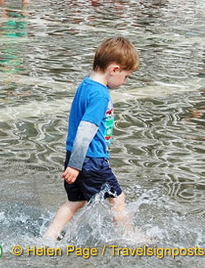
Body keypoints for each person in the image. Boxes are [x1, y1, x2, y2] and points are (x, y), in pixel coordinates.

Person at [43, 37, 140, 241]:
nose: (124, 82)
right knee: (118, 199)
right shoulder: (100, 95)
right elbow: (86, 130)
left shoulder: (85, 85)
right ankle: (130, 237)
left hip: (75, 156)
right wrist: (77, 165)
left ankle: (49, 237)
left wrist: (73, 163)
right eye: (126, 76)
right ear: (114, 69)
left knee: (76, 201)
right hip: (90, 158)